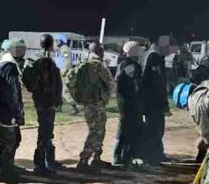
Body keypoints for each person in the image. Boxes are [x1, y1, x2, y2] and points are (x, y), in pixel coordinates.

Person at [22, 33, 63, 176]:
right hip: (47, 102)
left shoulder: (36, 59)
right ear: (51, 44)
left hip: (40, 100)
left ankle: (49, 161)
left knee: (46, 131)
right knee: (45, 132)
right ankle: (41, 165)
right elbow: (53, 83)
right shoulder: (47, 60)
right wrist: (56, 98)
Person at [70, 41, 114, 172]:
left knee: (97, 130)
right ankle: (84, 160)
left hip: (87, 103)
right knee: (96, 132)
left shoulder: (83, 64)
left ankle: (96, 159)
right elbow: (110, 83)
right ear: (100, 52)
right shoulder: (99, 65)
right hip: (97, 103)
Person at [0, 39, 26, 181]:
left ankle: (8, 165)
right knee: (9, 141)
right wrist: (17, 113)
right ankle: (6, 170)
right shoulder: (10, 67)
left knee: (14, 139)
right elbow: (11, 94)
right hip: (8, 111)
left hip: (2, 109)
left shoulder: (2, 63)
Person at [113, 41, 143, 169]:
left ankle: (117, 157)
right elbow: (137, 88)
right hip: (132, 104)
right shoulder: (133, 67)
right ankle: (126, 159)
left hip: (122, 103)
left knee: (122, 129)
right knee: (131, 131)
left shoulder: (121, 64)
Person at [140, 42, 169, 166]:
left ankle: (157, 154)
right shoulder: (154, 57)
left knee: (156, 129)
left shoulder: (149, 55)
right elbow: (158, 85)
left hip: (151, 101)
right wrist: (164, 103)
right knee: (155, 129)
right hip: (153, 102)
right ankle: (151, 156)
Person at [55, 34, 80, 115]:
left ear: (62, 41)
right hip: (60, 71)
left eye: (57, 40)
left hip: (64, 73)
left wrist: (64, 71)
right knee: (58, 90)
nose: (56, 42)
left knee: (64, 91)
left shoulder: (65, 49)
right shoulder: (61, 49)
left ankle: (74, 107)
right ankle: (58, 106)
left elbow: (67, 62)